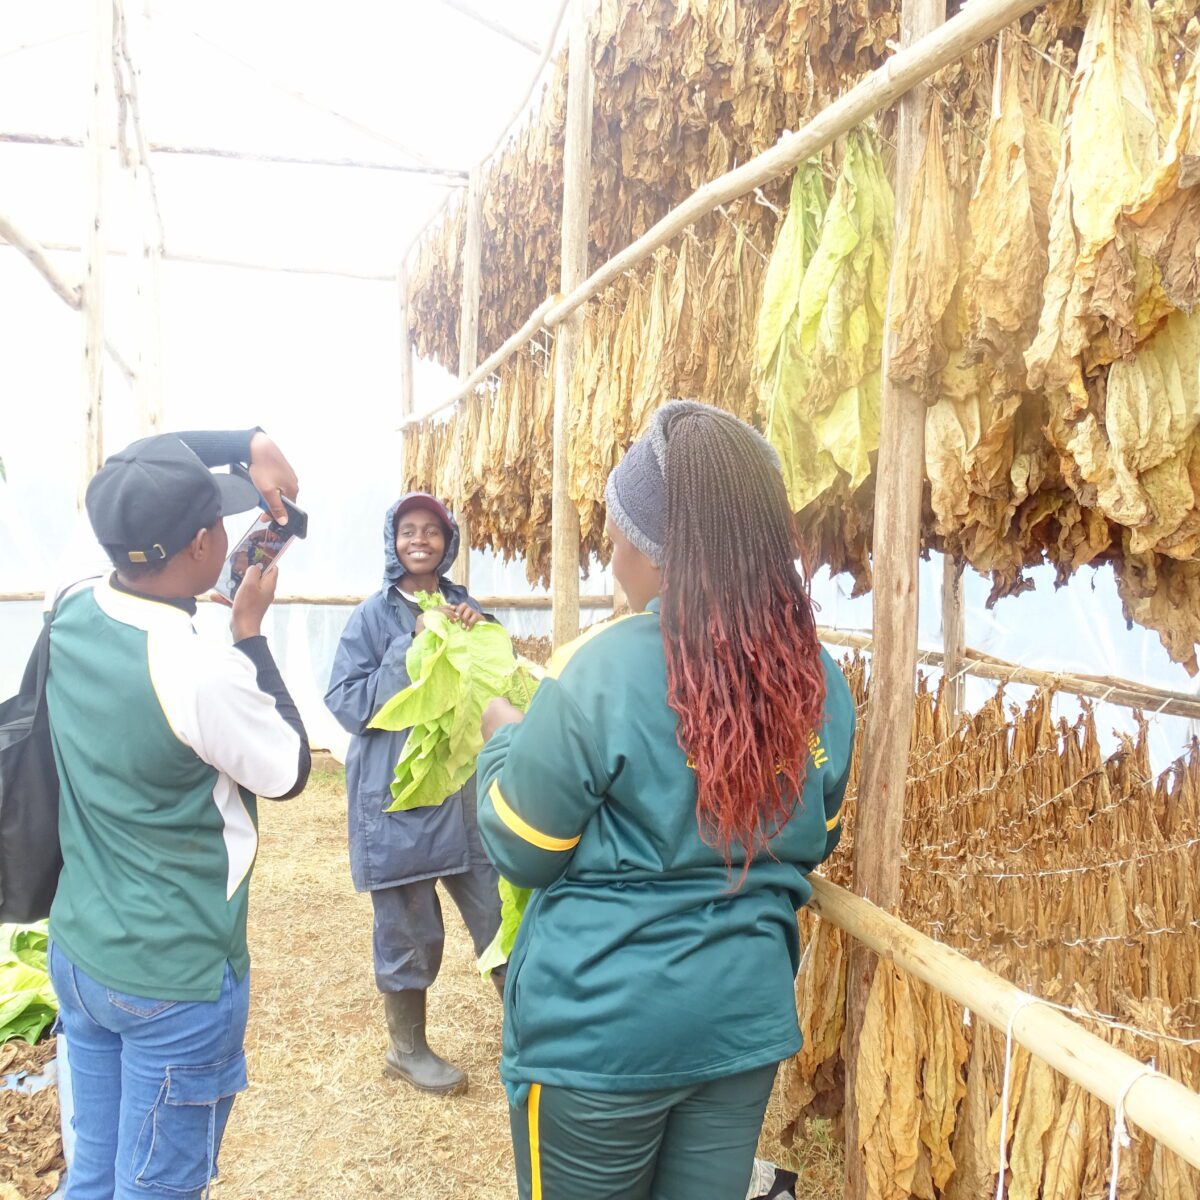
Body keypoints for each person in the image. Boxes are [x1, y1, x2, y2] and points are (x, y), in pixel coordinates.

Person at [477, 401, 856, 1200]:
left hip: (600, 1033)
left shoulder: (603, 668)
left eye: (620, 525)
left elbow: (525, 846)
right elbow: (815, 835)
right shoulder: (817, 676)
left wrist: (503, 741)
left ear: (657, 548)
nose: (610, 543)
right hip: (739, 1026)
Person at [45, 429, 310, 1200]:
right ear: (201, 544)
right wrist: (250, 634)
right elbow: (287, 768)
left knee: (92, 1173)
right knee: (155, 1188)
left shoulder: (72, 600)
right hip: (174, 978)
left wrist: (245, 443)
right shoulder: (200, 666)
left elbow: (134, 464)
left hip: (83, 950)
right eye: (219, 525)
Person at [324, 493, 503, 1096]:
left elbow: (494, 688)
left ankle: (533, 1034)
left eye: (432, 531)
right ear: (392, 541)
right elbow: (346, 702)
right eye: (408, 530)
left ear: (447, 543)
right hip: (398, 799)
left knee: (501, 912)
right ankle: (406, 1049)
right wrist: (411, 643)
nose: (419, 540)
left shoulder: (466, 607)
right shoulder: (373, 618)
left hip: (463, 797)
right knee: (407, 926)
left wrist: (483, 634)